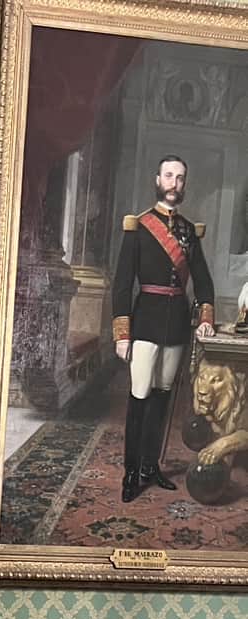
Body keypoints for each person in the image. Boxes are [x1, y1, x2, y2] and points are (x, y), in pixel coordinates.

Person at [112, 156, 215, 503]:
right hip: (145, 321)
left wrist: (205, 318)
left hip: (176, 325)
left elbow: (203, 281)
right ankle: (131, 472)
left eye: (180, 178)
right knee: (140, 396)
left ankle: (150, 466)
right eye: (169, 176)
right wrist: (122, 334)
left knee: (162, 396)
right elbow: (122, 285)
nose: (175, 183)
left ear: (185, 184)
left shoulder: (189, 231)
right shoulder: (139, 227)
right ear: (157, 180)